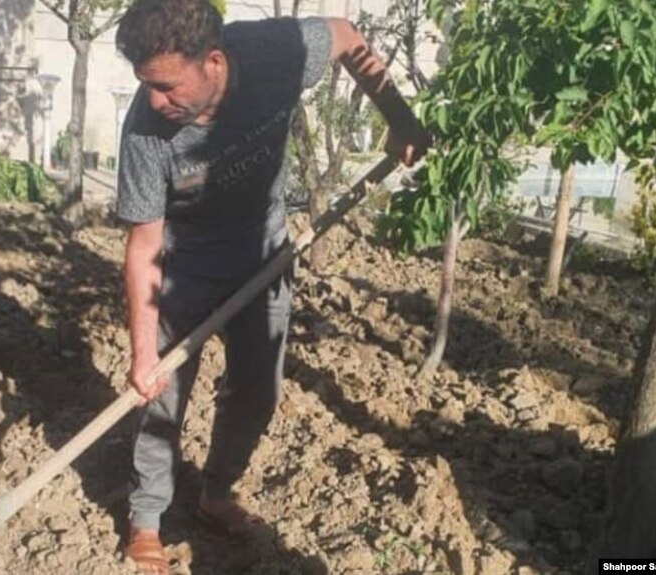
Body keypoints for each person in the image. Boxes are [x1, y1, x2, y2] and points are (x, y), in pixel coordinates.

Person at [113, 0, 429, 571]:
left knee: (258, 389)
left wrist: (400, 117)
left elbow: (346, 36)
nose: (156, 102)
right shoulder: (145, 130)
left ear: (213, 61)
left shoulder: (275, 54)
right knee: (161, 397)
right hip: (184, 263)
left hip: (263, 250)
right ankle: (146, 519)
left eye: (165, 86)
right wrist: (142, 356)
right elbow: (144, 246)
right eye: (146, 86)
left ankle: (216, 493)